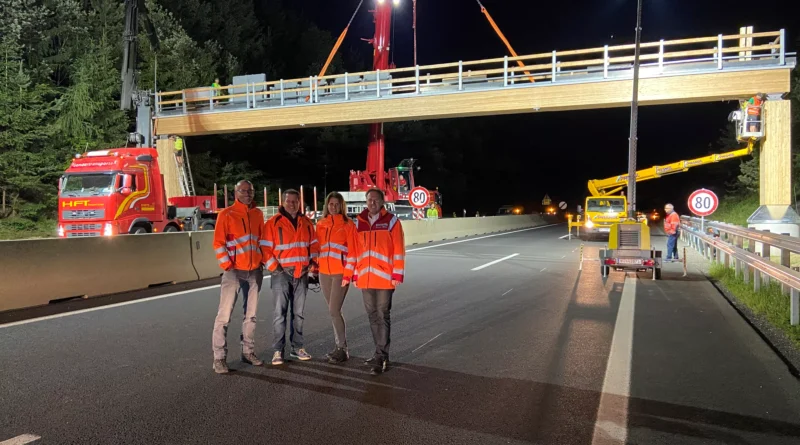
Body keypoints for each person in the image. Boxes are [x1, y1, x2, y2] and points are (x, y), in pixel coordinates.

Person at [344, 188, 406, 375]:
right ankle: (378, 352)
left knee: (382, 315)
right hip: (365, 278)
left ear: (382, 202)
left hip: (385, 279)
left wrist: (397, 275)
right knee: (372, 316)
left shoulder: (392, 222)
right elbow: (353, 252)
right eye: (369, 200)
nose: (372, 203)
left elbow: (398, 249)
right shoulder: (359, 223)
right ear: (366, 201)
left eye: (376, 200)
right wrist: (352, 275)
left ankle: (382, 356)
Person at [211, 180, 265, 374]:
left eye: (250, 191)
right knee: (224, 316)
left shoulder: (258, 214)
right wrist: (228, 265)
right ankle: (219, 358)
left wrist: (263, 261)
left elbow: (262, 240)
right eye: (244, 191)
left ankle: (248, 352)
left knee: (250, 316)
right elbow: (218, 242)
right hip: (234, 271)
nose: (248, 194)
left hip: (254, 271)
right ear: (236, 193)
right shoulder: (227, 214)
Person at [261, 189, 319, 365]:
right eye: (289, 201)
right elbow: (264, 248)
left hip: (301, 273)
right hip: (281, 273)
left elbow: (314, 245)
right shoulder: (273, 223)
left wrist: (312, 263)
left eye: (295, 201)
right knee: (280, 314)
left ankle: (297, 347)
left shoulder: (307, 223)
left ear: (299, 203)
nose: (292, 204)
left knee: (298, 314)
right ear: (283, 202)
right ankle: (278, 351)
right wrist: (274, 267)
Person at [315, 192, 358, 364]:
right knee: (334, 312)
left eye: (336, 204)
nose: (333, 207)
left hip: (341, 273)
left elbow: (354, 252)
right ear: (327, 206)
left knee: (334, 310)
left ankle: (342, 348)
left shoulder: (348, 225)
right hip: (324, 273)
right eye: (330, 204)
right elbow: (317, 248)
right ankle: (338, 346)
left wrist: (349, 274)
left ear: (342, 206)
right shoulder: (320, 224)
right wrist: (314, 268)